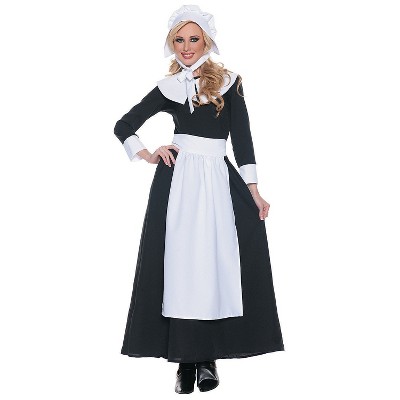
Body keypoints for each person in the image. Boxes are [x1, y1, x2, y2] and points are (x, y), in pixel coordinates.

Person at [114, 4, 285, 394]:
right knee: (181, 266)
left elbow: (242, 138)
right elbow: (124, 125)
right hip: (177, 180)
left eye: (193, 39)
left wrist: (254, 190)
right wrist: (148, 153)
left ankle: (207, 359)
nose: (186, 46)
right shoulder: (169, 87)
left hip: (218, 179)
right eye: (179, 40)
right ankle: (185, 362)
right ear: (171, 44)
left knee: (215, 264)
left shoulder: (230, 82)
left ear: (206, 41)